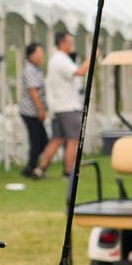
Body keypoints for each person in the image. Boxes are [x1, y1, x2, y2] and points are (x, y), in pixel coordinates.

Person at [34, 31, 84, 179]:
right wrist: (92, 58)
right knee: (73, 140)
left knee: (57, 139)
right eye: (70, 42)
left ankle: (41, 168)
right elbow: (79, 72)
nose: (72, 46)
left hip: (58, 106)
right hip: (68, 106)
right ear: (63, 43)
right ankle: (68, 172)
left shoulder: (55, 59)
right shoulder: (60, 59)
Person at [18, 42, 49, 177]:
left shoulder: (37, 69)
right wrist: (41, 110)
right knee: (37, 141)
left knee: (42, 141)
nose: (42, 55)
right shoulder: (30, 70)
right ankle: (31, 169)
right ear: (31, 56)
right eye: (39, 53)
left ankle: (32, 167)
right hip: (30, 112)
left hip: (34, 111)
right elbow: (33, 92)